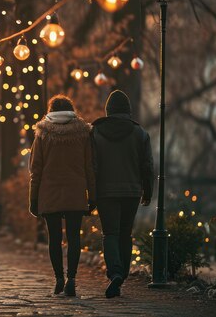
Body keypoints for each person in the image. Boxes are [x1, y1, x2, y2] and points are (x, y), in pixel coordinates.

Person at [29, 95, 96, 297]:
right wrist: (92, 196)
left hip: (50, 193)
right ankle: (72, 278)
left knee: (54, 238)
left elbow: (35, 170)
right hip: (75, 193)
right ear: (71, 110)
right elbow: (89, 167)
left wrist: (33, 199)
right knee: (74, 237)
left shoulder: (42, 134)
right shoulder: (83, 133)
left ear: (50, 110)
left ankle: (58, 278)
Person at [92, 90, 154, 298]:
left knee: (110, 233)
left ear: (108, 110)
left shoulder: (96, 132)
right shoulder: (140, 133)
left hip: (105, 192)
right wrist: (148, 191)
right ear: (128, 111)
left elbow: (92, 166)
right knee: (125, 234)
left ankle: (115, 273)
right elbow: (147, 166)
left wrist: (91, 194)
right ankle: (122, 277)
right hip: (131, 191)